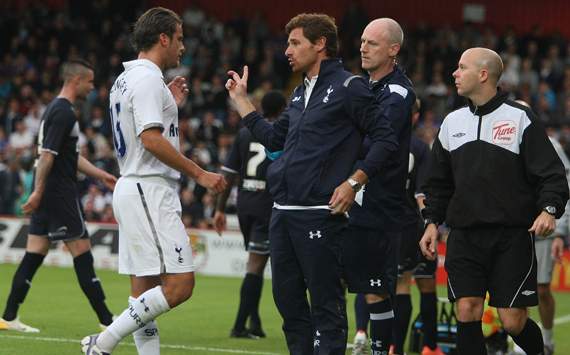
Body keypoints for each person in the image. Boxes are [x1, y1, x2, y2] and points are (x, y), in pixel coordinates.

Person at [226, 13, 398, 354]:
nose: (287, 50)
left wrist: (354, 182)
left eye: (294, 43)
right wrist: (242, 102)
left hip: (320, 213)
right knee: (288, 304)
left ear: (320, 44)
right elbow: (275, 139)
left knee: (325, 306)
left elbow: (386, 140)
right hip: (282, 213)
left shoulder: (351, 88)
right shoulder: (300, 93)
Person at [81, 7, 226, 355]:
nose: (183, 46)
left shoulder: (127, 79)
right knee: (179, 285)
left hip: (134, 185)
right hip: (148, 187)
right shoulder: (147, 80)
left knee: (143, 289)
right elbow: (150, 139)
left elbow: (142, 127)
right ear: (163, 38)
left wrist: (170, 105)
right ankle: (102, 342)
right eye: (179, 38)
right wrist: (200, 173)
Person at [420, 47, 569, 355]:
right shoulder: (451, 122)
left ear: (483, 74)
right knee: (467, 309)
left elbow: (553, 174)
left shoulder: (520, 118)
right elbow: (438, 183)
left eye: (462, 68)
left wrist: (549, 209)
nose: (454, 73)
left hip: (511, 237)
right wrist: (431, 221)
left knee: (513, 321)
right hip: (464, 236)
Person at [0, 60, 117, 333]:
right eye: (89, 82)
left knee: (35, 252)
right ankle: (108, 320)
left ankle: (7, 317)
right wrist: (39, 191)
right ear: (76, 80)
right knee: (82, 253)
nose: (92, 87)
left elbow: (69, 156)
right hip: (59, 194)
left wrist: (100, 174)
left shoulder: (54, 109)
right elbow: (47, 156)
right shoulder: (64, 112)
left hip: (48, 192)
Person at [343, 18, 415, 355]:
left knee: (374, 290)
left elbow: (376, 142)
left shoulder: (398, 93)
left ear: (393, 50)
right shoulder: (363, 86)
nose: (363, 47)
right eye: (362, 41)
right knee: (345, 285)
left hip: (375, 204)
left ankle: (379, 350)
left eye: (372, 43)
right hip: (350, 199)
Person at [213, 90, 287, 339]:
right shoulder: (281, 133)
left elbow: (229, 173)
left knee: (256, 262)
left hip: (245, 206)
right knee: (256, 266)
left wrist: (220, 209)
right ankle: (238, 326)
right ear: (282, 109)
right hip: (268, 206)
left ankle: (254, 322)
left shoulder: (245, 133)